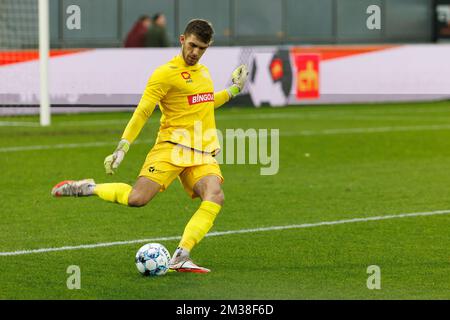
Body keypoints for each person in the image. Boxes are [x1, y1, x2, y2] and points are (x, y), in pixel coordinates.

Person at [51, 19, 248, 273]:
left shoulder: (204, 72)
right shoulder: (165, 73)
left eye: (202, 48)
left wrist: (233, 90)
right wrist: (123, 146)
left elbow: (206, 102)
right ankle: (88, 187)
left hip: (201, 153)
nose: (195, 52)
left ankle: (181, 255)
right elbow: (143, 111)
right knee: (137, 199)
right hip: (171, 148)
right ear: (182, 40)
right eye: (192, 45)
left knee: (215, 195)